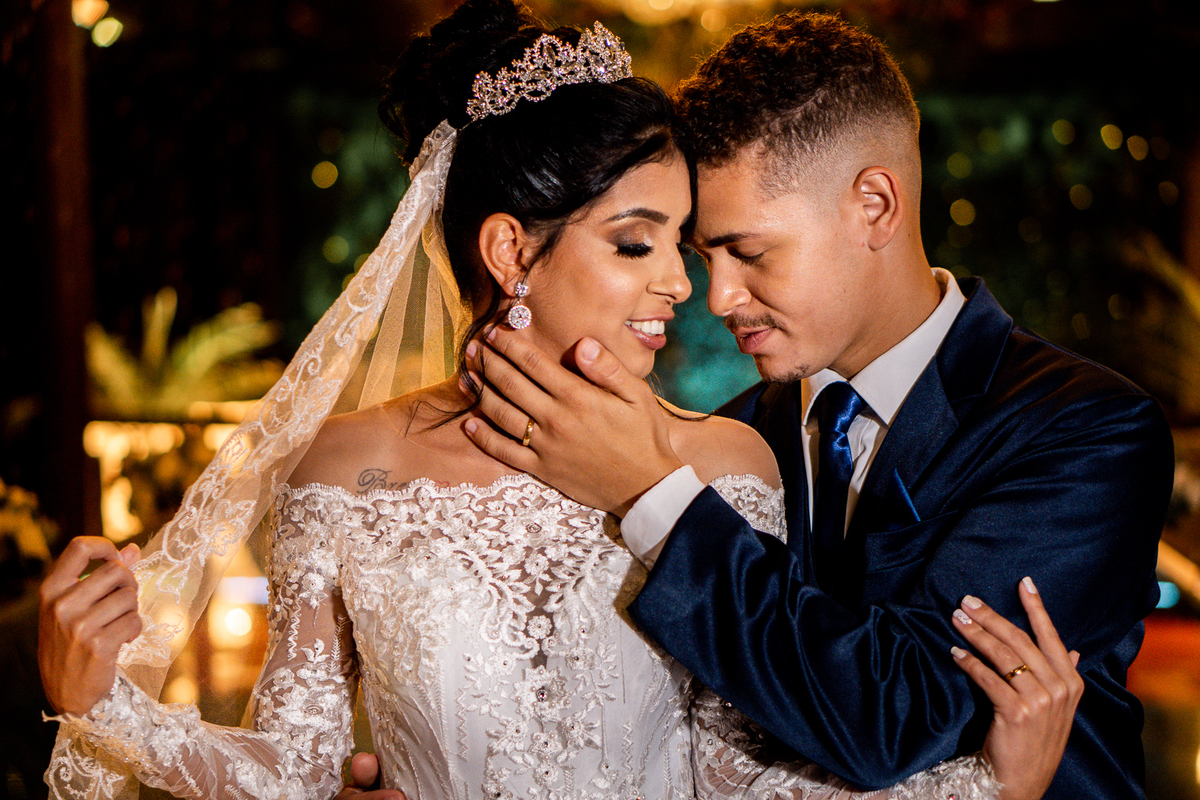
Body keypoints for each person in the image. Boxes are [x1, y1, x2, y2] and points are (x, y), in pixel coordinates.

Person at [40, 3, 1080, 798]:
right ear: (509, 251)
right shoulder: (345, 467)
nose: (683, 285)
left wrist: (988, 782)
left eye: (684, 241)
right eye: (638, 242)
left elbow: (741, 782)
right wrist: (106, 705)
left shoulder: (726, 465)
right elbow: (298, 768)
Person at [461, 9, 1173, 800]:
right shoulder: (729, 439)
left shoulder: (1086, 432)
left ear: (874, 205)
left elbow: (899, 715)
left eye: (749, 252)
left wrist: (652, 496)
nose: (717, 296)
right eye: (703, 255)